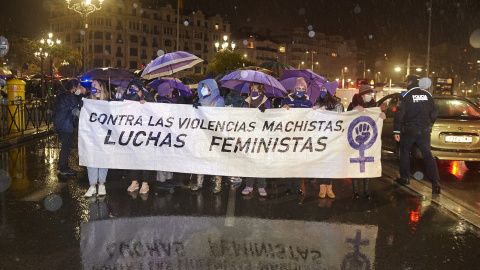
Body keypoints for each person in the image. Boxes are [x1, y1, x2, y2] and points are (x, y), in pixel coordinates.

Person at [393, 75, 441, 194]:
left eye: (406, 82)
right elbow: (434, 113)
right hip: (424, 129)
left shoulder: (405, 95)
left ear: (410, 82)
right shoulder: (428, 95)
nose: (406, 84)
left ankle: (405, 178)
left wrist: (396, 131)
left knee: (404, 152)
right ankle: (435, 183)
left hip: (410, 128)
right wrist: (429, 125)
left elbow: (399, 114)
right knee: (428, 155)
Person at [191, 78, 225, 194]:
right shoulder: (200, 99)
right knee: (201, 157)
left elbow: (218, 115)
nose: (204, 89)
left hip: (214, 134)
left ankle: (217, 184)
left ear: (212, 87)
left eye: (206, 87)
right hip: (202, 134)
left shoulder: (219, 100)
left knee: (215, 158)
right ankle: (199, 182)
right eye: (203, 87)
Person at [123, 79, 155, 195]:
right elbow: (126, 107)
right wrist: (137, 96)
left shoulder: (149, 97)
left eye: (135, 88)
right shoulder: (127, 97)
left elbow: (155, 113)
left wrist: (147, 104)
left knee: (145, 158)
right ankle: (134, 181)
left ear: (141, 89)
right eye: (131, 88)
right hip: (132, 134)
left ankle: (145, 183)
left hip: (146, 134)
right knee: (133, 158)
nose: (133, 90)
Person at [281, 77, 312, 195]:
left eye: (303, 88)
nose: (300, 90)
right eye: (298, 88)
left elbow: (311, 118)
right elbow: (280, 116)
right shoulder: (286, 100)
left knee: (298, 162)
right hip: (288, 135)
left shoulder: (308, 102)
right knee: (289, 162)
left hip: (301, 136)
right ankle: (288, 187)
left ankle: (297, 187)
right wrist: (283, 109)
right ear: (294, 88)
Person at [313, 86, 344, 199]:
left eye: (324, 89)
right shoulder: (317, 102)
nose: (322, 92)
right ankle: (322, 187)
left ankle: (329, 186)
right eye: (321, 89)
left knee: (330, 163)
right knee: (321, 162)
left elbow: (341, 118)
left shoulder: (338, 103)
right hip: (320, 137)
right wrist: (315, 110)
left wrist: (327, 111)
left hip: (332, 137)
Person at [347, 84, 377, 199]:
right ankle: (356, 191)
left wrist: (381, 114)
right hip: (355, 138)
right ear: (362, 94)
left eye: (371, 94)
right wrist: (354, 110)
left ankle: (367, 191)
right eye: (368, 94)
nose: (370, 96)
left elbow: (376, 118)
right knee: (355, 165)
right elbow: (347, 117)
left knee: (367, 165)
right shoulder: (353, 103)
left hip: (369, 140)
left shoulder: (373, 104)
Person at [241, 83, 269, 197]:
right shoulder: (246, 102)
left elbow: (270, 117)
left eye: (256, 89)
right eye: (252, 89)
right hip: (250, 135)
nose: (254, 91)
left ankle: (261, 186)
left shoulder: (266, 101)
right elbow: (242, 116)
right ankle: (249, 185)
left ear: (261, 91)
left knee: (261, 160)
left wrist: (265, 111)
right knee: (250, 160)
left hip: (262, 134)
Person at [53, 79, 85, 175]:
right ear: (74, 87)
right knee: (66, 147)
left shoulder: (64, 94)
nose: (80, 89)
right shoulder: (69, 96)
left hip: (60, 123)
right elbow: (76, 108)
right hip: (65, 125)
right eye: (79, 87)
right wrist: (81, 96)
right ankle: (63, 168)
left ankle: (62, 165)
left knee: (65, 146)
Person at [84, 79, 109, 197]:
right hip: (91, 136)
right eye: (91, 85)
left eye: (95, 85)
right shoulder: (89, 102)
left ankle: (102, 185)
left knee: (103, 160)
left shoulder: (108, 101)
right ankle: (92, 186)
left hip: (104, 136)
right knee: (91, 160)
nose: (92, 87)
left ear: (101, 87)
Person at [154, 84, 182, 190]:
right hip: (162, 135)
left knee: (169, 157)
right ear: (167, 92)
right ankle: (161, 180)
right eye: (170, 91)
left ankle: (169, 178)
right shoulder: (163, 103)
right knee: (163, 157)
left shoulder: (166, 102)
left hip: (168, 134)